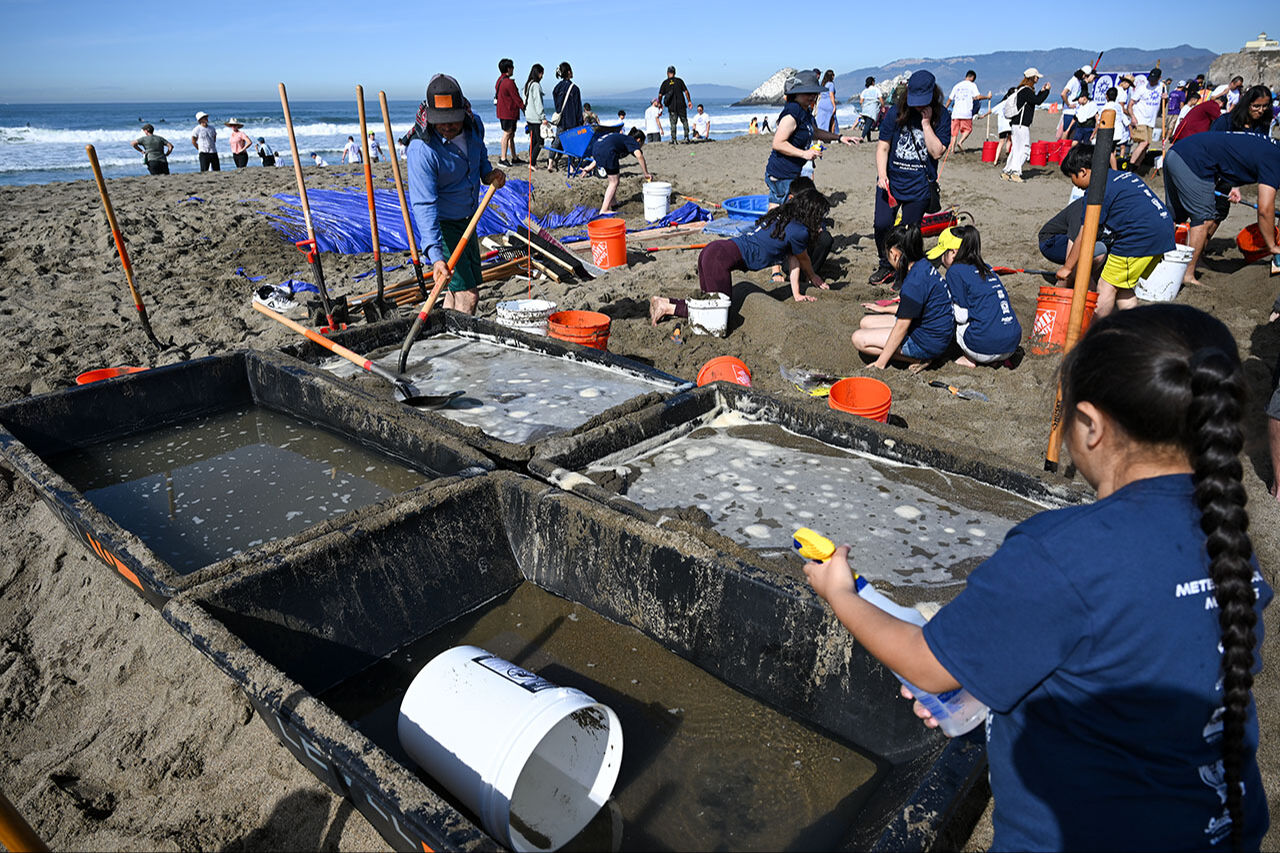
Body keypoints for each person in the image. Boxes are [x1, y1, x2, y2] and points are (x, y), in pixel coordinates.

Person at [809, 302, 1271, 852]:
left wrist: (840, 593)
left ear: (1092, 426)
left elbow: (925, 667)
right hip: (1219, 826)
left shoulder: (1060, 552)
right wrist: (994, 680)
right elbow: (1133, 653)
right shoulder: (1228, 536)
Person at [648, 187, 831, 326]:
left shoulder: (781, 217)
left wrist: (797, 293)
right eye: (819, 216)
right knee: (716, 316)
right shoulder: (799, 231)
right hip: (719, 259)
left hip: (713, 251)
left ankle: (666, 303)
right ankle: (667, 305)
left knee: (709, 304)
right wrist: (813, 276)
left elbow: (794, 260)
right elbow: (804, 258)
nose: (820, 221)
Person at [406, 74, 506, 316]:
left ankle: (444, 336)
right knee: (468, 295)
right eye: (442, 122)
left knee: (454, 290)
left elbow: (479, 154)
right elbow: (423, 205)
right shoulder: (422, 149)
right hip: (444, 227)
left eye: (453, 120)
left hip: (469, 221)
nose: (448, 126)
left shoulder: (474, 126)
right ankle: (462, 351)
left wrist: (488, 174)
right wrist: (435, 256)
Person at [1057, 144, 1175, 316]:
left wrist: (1067, 268)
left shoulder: (1096, 191)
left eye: (1072, 178)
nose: (1074, 185)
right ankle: (1134, 326)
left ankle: (1097, 331)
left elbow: (1084, 233)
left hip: (1139, 237)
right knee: (1122, 287)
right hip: (1163, 230)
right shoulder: (1122, 175)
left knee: (1106, 285)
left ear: (1083, 172)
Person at [1163, 130, 1280, 285]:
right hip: (1194, 161)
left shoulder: (1271, 147)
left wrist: (1233, 184)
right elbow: (1265, 209)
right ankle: (1188, 275)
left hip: (1176, 152)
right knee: (1204, 218)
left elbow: (1233, 153)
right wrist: (1272, 246)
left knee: (1173, 216)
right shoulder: (1275, 160)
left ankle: (1157, 264)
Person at [870, 69, 951, 284]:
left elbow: (936, 152)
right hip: (891, 181)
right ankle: (886, 264)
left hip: (919, 186)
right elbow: (883, 147)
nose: (917, 105)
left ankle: (903, 271)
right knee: (881, 225)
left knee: (908, 233)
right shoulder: (895, 112)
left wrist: (926, 123)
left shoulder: (942, 115)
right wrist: (881, 175)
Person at [854, 223, 953, 370]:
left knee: (858, 339)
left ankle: (919, 359)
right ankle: (921, 355)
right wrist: (884, 309)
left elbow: (901, 327)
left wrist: (881, 363)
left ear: (894, 253)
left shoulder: (913, 282)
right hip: (937, 332)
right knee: (865, 322)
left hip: (929, 342)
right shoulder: (923, 265)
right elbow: (916, 307)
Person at [929, 225, 1021, 366]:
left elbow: (961, 316)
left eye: (943, 253)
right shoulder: (987, 267)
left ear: (953, 252)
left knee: (948, 313)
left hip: (984, 347)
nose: (941, 259)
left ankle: (968, 359)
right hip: (1012, 343)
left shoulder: (955, 271)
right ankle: (997, 359)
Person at [1037, 197, 1112, 277]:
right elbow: (1074, 245)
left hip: (1078, 239)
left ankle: (1085, 279)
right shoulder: (1084, 208)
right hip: (1051, 241)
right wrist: (1068, 269)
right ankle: (1064, 285)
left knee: (1105, 250)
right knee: (1100, 251)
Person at [584, 128, 651, 215]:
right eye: (642, 144)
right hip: (608, 152)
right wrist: (646, 173)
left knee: (612, 180)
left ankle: (613, 203)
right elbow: (639, 155)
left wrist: (589, 167)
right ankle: (604, 209)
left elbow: (604, 149)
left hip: (596, 148)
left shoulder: (621, 138)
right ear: (638, 140)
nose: (641, 146)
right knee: (614, 182)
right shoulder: (631, 141)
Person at [1001, 68, 1052, 182]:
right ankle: (1015, 172)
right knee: (1024, 149)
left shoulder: (1022, 90)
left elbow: (1034, 100)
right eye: (1037, 76)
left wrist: (1042, 91)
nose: (1038, 78)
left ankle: (1007, 171)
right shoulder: (1026, 90)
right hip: (1021, 124)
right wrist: (1047, 91)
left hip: (1016, 124)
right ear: (1032, 77)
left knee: (1016, 149)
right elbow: (1038, 101)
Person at [1127, 68, 1164, 167]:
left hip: (1151, 121)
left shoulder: (1162, 87)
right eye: (1150, 80)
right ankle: (1131, 165)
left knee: (1147, 145)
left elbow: (1163, 104)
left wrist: (1166, 98)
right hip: (1140, 118)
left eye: (1154, 80)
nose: (1151, 82)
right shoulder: (1142, 88)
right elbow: (1130, 104)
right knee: (1144, 142)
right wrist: (1133, 117)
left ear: (1159, 78)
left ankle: (1138, 166)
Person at [549, 62, 582, 171]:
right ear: (568, 72)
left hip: (561, 121)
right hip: (572, 121)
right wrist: (580, 122)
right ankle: (571, 166)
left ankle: (550, 163)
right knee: (572, 143)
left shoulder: (556, 88)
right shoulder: (575, 89)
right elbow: (578, 108)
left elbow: (557, 107)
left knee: (557, 140)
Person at [945, 70, 988, 153]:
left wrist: (945, 108)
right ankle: (960, 142)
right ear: (972, 78)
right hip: (966, 113)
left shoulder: (957, 85)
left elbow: (950, 99)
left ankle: (952, 150)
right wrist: (987, 97)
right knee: (968, 129)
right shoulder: (972, 85)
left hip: (956, 113)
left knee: (954, 133)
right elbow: (978, 97)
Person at [495, 58, 524, 167]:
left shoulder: (499, 81)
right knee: (507, 134)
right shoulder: (508, 83)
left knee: (511, 135)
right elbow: (516, 97)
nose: (513, 69)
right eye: (512, 67)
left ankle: (514, 157)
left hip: (503, 112)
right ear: (508, 68)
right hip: (509, 112)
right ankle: (503, 158)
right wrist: (524, 107)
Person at [1056, 65, 1095, 140]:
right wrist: (1069, 104)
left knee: (1072, 136)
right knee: (1067, 134)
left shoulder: (1079, 81)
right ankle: (1063, 149)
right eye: (1086, 76)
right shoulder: (1073, 81)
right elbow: (1063, 93)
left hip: (1075, 113)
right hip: (1069, 112)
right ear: (1083, 75)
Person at [659, 65, 693, 144]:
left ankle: (674, 139)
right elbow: (686, 92)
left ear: (667, 73)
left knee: (673, 123)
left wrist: (660, 103)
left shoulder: (665, 83)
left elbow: (660, 95)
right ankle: (686, 137)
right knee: (684, 121)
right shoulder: (679, 81)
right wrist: (689, 101)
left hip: (672, 106)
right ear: (675, 73)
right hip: (681, 105)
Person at [523, 64, 548, 168]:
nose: (542, 76)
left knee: (533, 140)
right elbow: (538, 103)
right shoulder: (536, 85)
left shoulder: (528, 84)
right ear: (538, 73)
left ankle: (531, 161)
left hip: (529, 117)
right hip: (536, 118)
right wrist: (543, 117)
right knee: (540, 141)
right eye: (541, 73)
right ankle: (532, 163)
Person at [859, 77, 883, 142]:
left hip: (865, 109)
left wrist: (863, 106)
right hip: (872, 110)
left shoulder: (864, 91)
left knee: (867, 124)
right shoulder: (876, 90)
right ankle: (862, 137)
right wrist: (882, 106)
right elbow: (881, 99)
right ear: (872, 82)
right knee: (868, 125)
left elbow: (861, 101)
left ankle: (869, 139)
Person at [815, 70, 838, 134]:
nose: (834, 77)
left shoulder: (823, 84)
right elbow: (831, 95)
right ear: (831, 76)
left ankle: (820, 136)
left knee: (822, 121)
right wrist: (834, 106)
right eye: (833, 75)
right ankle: (833, 136)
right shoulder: (831, 84)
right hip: (828, 103)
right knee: (832, 120)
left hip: (821, 103)